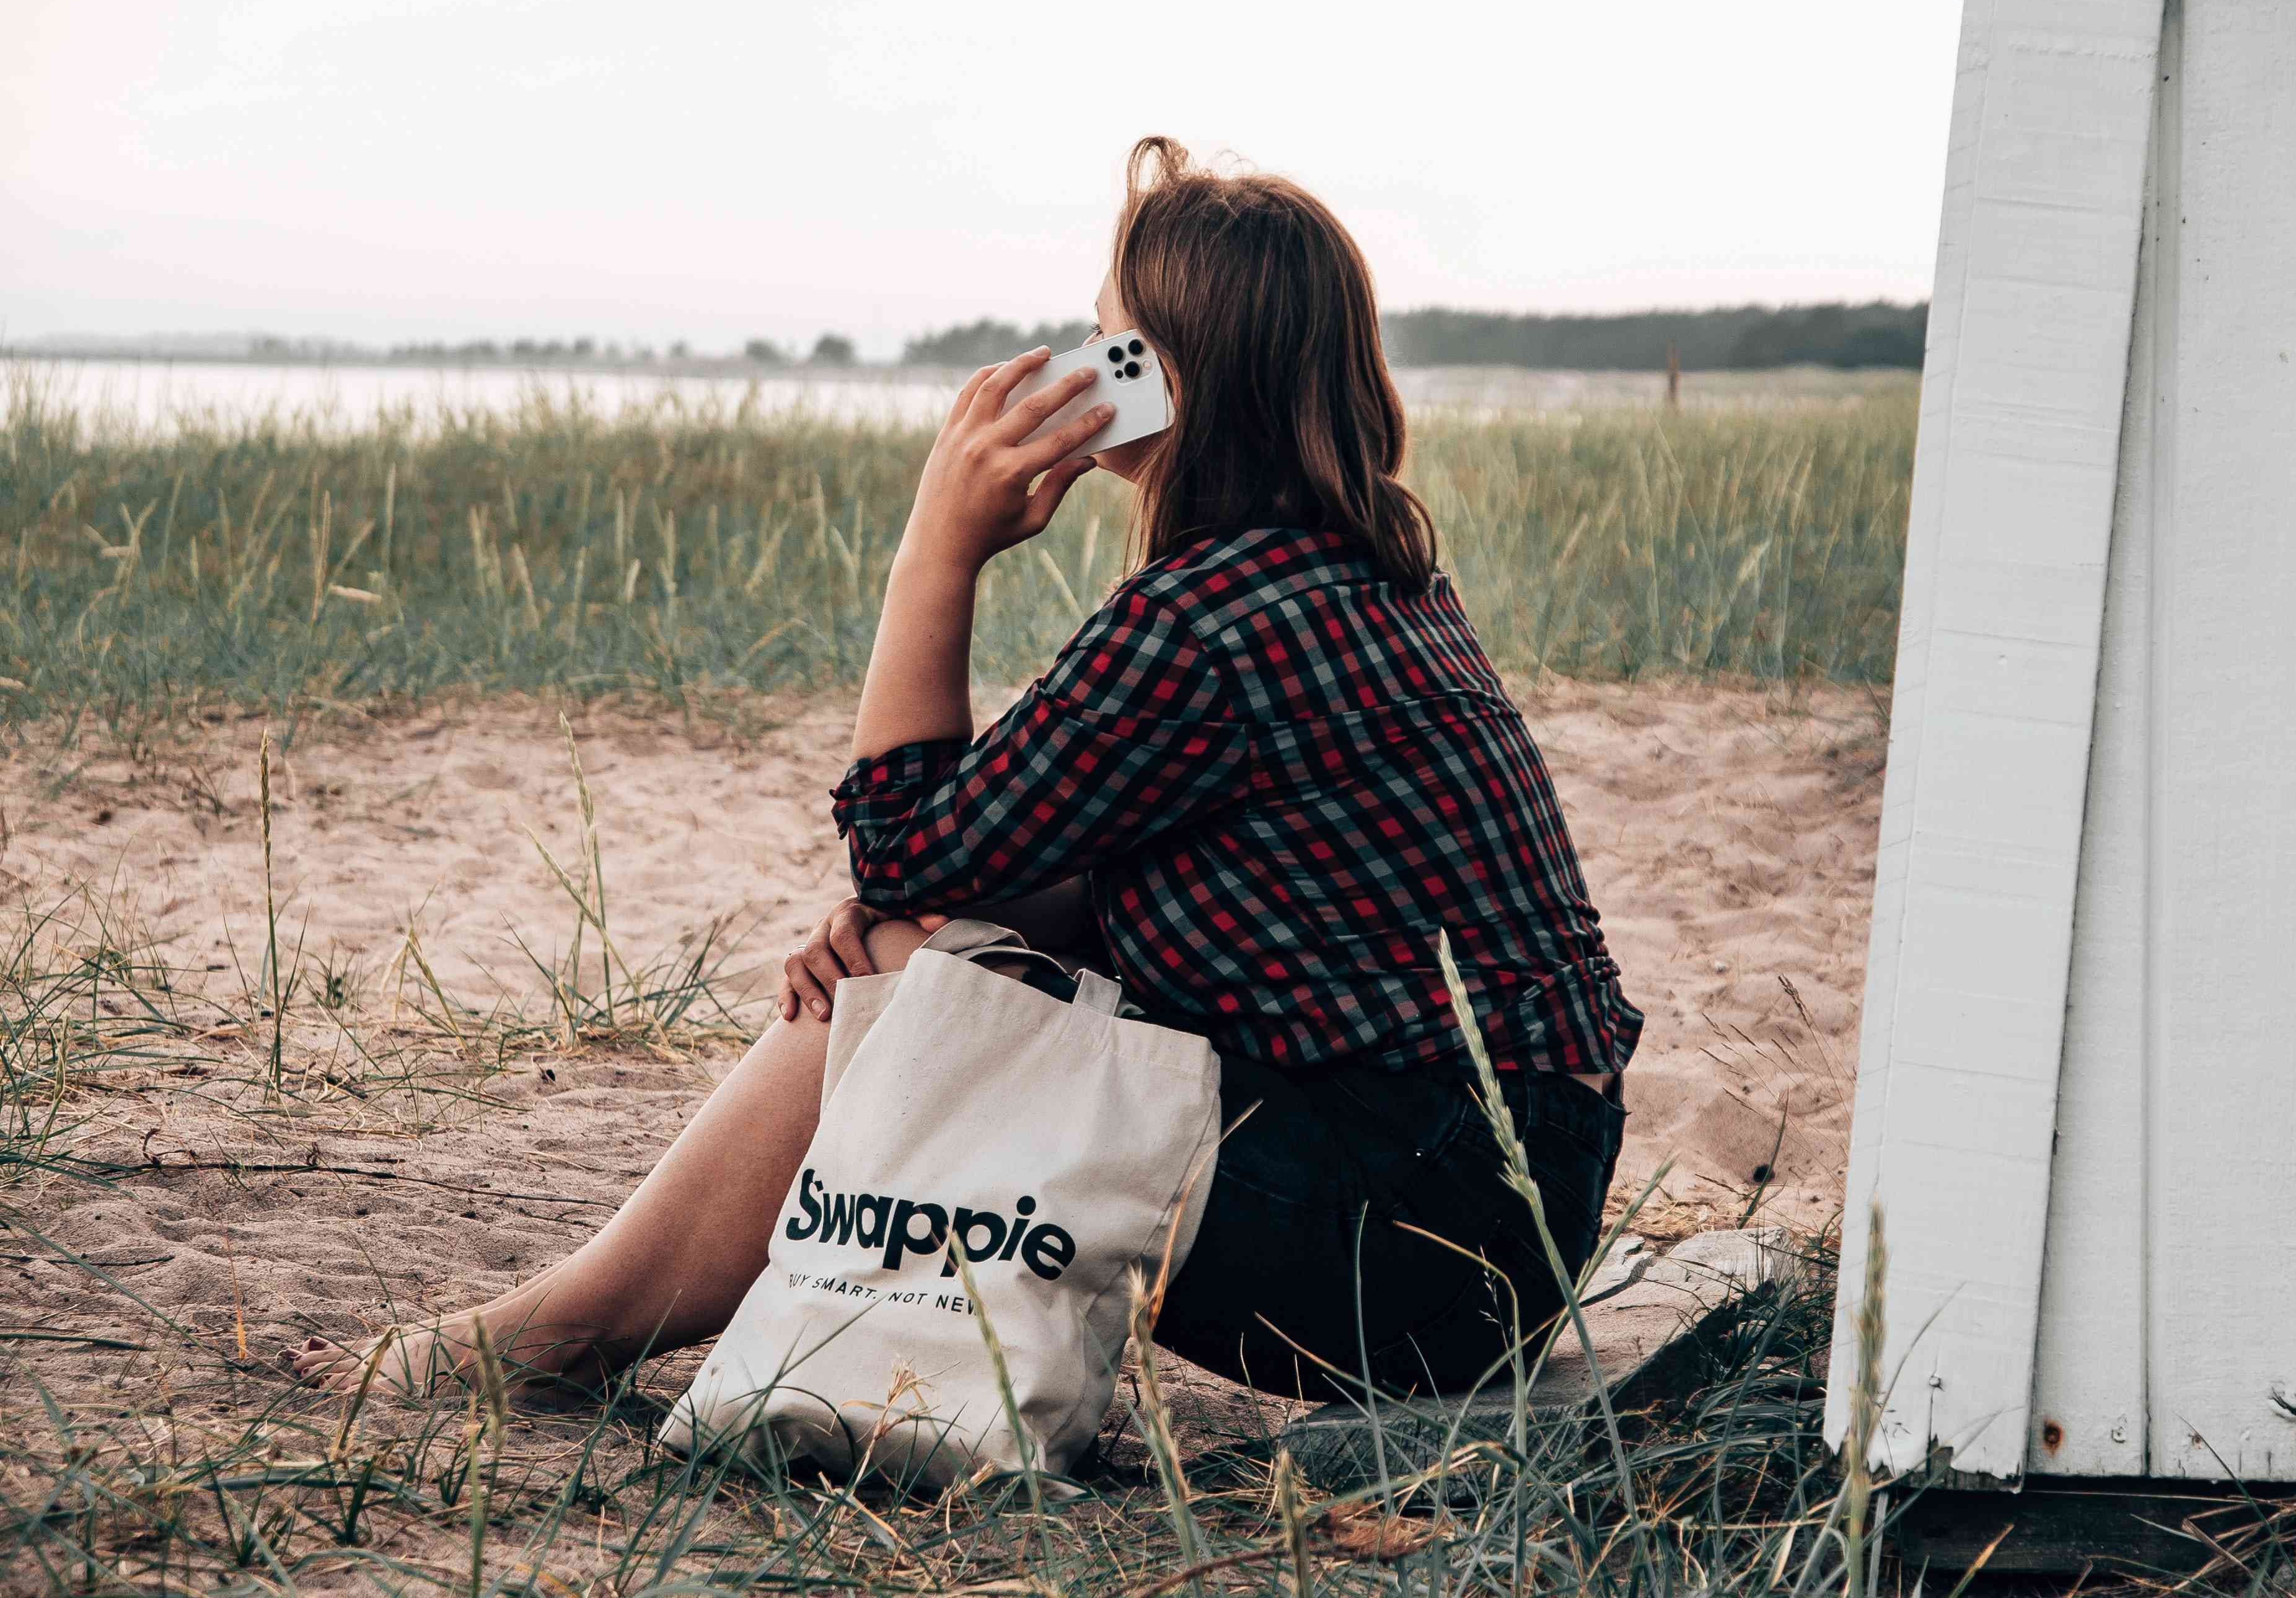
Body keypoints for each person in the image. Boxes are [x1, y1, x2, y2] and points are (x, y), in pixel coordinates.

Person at [283, 137, 1642, 1406]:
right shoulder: (1370, 576)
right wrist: (929, 922)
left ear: (1171, 374)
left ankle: (564, 1332)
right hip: (1511, 1220)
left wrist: (937, 544)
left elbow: (908, 845)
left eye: (1117, 335)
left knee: (904, 971)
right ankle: (578, 1317)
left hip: (1403, 1240)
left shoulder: (1206, 620)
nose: (1084, 360)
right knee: (920, 947)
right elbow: (1169, 880)